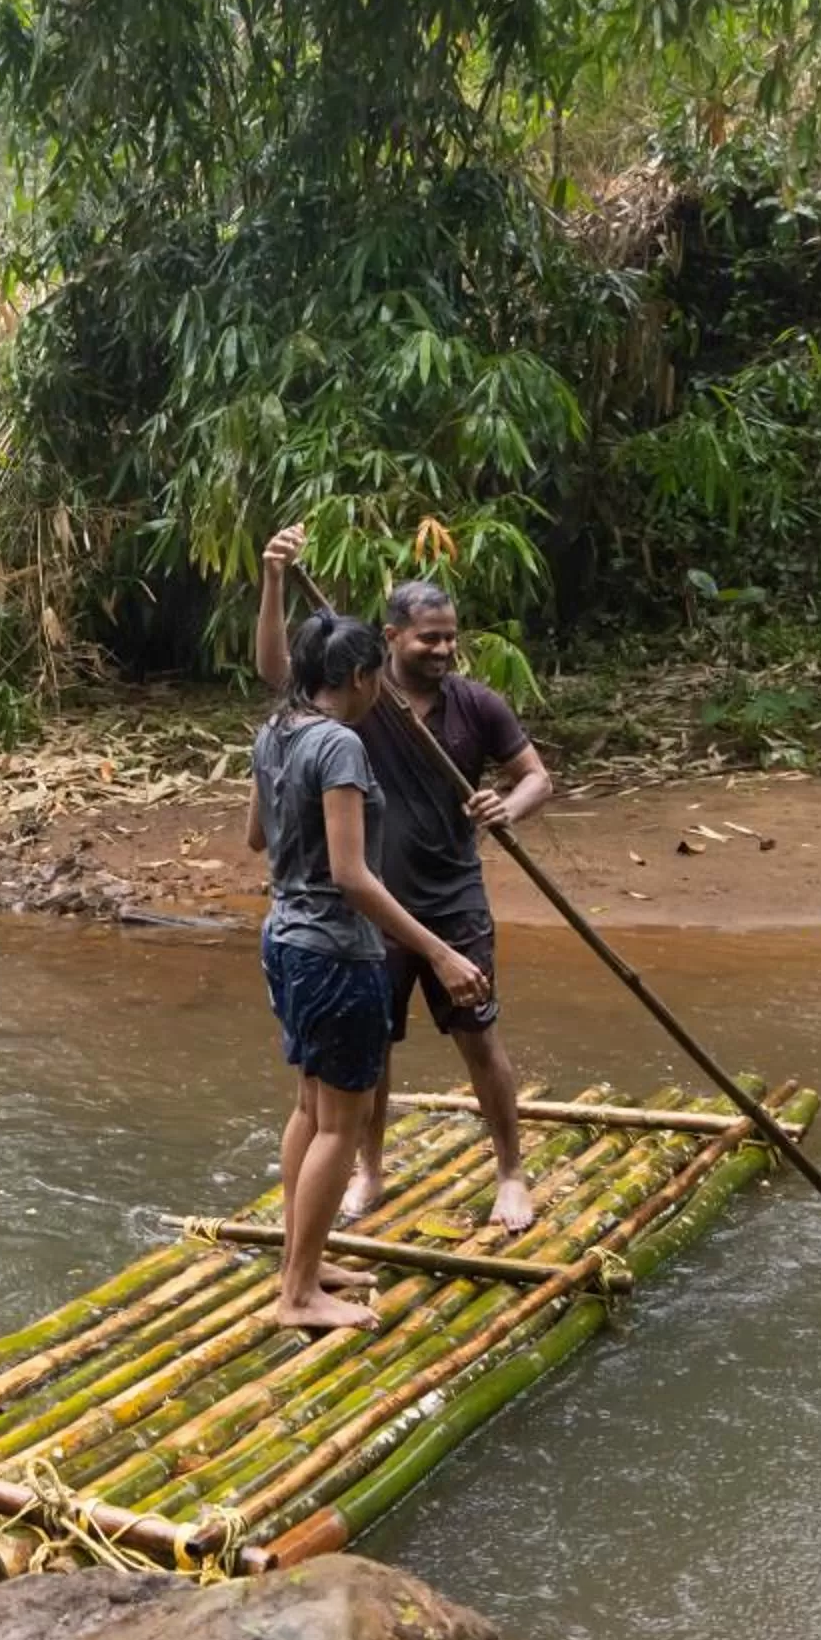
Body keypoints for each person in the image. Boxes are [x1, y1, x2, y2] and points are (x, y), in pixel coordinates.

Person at [255, 525, 554, 1231]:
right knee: (372, 1051)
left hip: (452, 899)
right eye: (428, 639)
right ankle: (369, 1169)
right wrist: (273, 578)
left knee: (480, 1037)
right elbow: (277, 675)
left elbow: (536, 777)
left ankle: (510, 1172)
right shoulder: (359, 700)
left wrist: (501, 808)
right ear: (390, 639)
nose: (444, 650)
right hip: (370, 911)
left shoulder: (477, 705)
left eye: (451, 638)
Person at [247, 608, 495, 1331]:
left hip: (284, 940)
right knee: (339, 1127)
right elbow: (354, 876)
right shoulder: (340, 746)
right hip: (334, 948)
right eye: (374, 681)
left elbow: (257, 835)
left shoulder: (274, 733)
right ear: (357, 676)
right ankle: (298, 1296)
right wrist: (441, 952)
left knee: (309, 1108)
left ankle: (305, 1258)